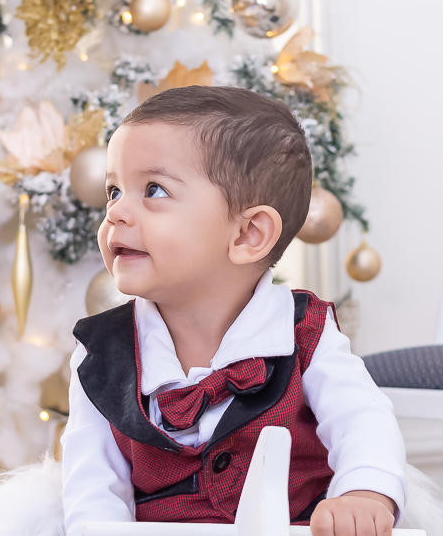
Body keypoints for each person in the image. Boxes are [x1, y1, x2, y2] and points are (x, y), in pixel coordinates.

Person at [60, 85, 407, 536]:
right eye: (113, 191)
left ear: (248, 234)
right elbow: (92, 485)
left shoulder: (304, 332)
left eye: (154, 189)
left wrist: (364, 492)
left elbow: (362, 418)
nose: (116, 213)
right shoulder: (101, 355)